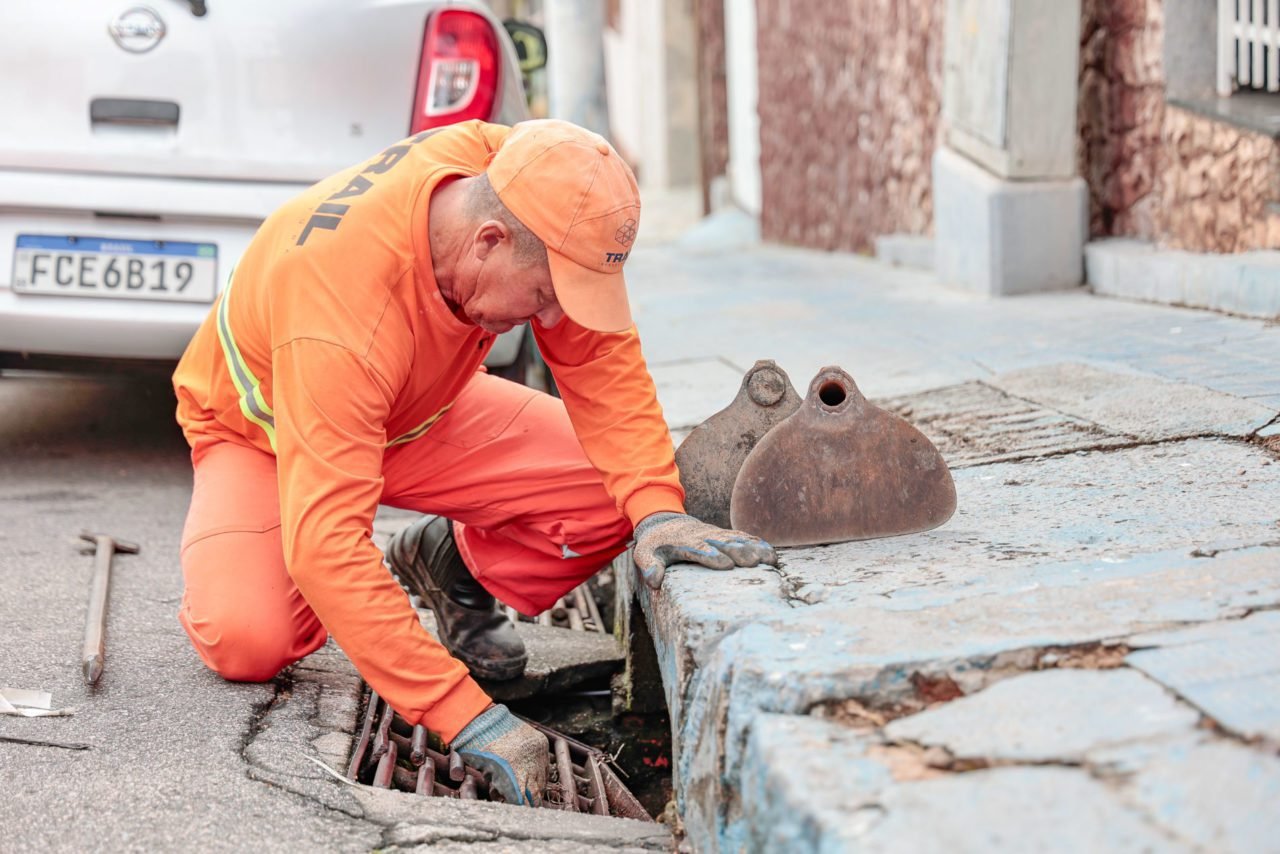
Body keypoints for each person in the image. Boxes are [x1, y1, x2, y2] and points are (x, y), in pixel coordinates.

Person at [171, 119, 777, 806]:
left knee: (620, 492)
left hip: (417, 408)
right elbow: (328, 545)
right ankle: (277, 556)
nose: (551, 316)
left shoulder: (524, 173)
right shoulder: (342, 310)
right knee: (249, 638)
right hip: (269, 437)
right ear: (489, 242)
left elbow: (600, 355)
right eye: (543, 296)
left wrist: (659, 512)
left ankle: (449, 560)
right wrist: (468, 717)